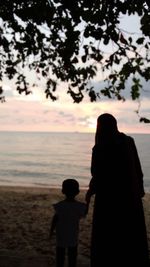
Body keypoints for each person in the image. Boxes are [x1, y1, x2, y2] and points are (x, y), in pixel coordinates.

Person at [85, 113, 150, 267]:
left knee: (108, 240)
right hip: (130, 198)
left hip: (108, 200)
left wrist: (90, 192)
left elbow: (97, 174)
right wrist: (139, 190)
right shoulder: (129, 141)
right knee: (131, 238)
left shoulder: (100, 147)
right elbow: (138, 169)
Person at [50, 178, 87, 267]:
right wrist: (88, 201)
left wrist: (51, 230)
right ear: (77, 191)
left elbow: (55, 218)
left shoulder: (59, 206)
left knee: (60, 254)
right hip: (73, 234)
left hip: (61, 234)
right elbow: (84, 214)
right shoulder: (80, 207)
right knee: (72, 255)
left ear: (63, 191)